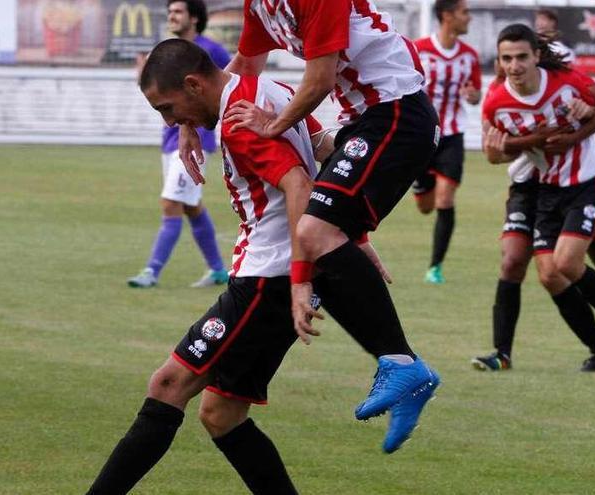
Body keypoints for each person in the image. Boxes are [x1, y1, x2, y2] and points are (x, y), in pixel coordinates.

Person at [177, 0, 442, 455]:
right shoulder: (259, 4)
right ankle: (405, 370)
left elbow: (318, 81)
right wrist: (191, 120)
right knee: (327, 242)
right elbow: (243, 68)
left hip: (395, 111)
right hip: (361, 121)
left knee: (314, 233)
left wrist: (272, 123)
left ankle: (403, 366)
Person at [86, 38, 328, 494]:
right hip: (275, 277)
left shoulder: (238, 122)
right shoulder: (270, 92)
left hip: (267, 278)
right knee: (222, 415)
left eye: (167, 108)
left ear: (194, 85)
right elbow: (324, 152)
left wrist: (301, 277)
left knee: (168, 385)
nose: (170, 121)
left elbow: (298, 183)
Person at [479, 24, 595, 371]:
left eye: (522, 56)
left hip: (587, 180)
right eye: (507, 58)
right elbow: (494, 154)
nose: (514, 65)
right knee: (550, 271)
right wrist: (516, 144)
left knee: (578, 263)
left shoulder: (564, 80)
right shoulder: (496, 101)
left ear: (537, 55)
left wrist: (574, 137)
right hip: (546, 190)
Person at [126, 0, 231, 289]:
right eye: (170, 12)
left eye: (178, 12)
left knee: (172, 202)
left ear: (194, 18)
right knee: (190, 205)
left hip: (197, 140)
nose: (172, 16)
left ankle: (151, 271)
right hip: (170, 140)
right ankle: (219, 270)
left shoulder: (211, 51)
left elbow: (235, 81)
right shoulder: (165, 55)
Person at [411, 0, 481, 284]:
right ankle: (419, 183)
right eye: (465, 13)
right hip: (424, 135)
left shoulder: (470, 56)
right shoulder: (418, 49)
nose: (469, 18)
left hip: (453, 135)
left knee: (445, 199)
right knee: (426, 205)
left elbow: (476, 95)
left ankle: (435, 268)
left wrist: (472, 96)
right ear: (447, 16)